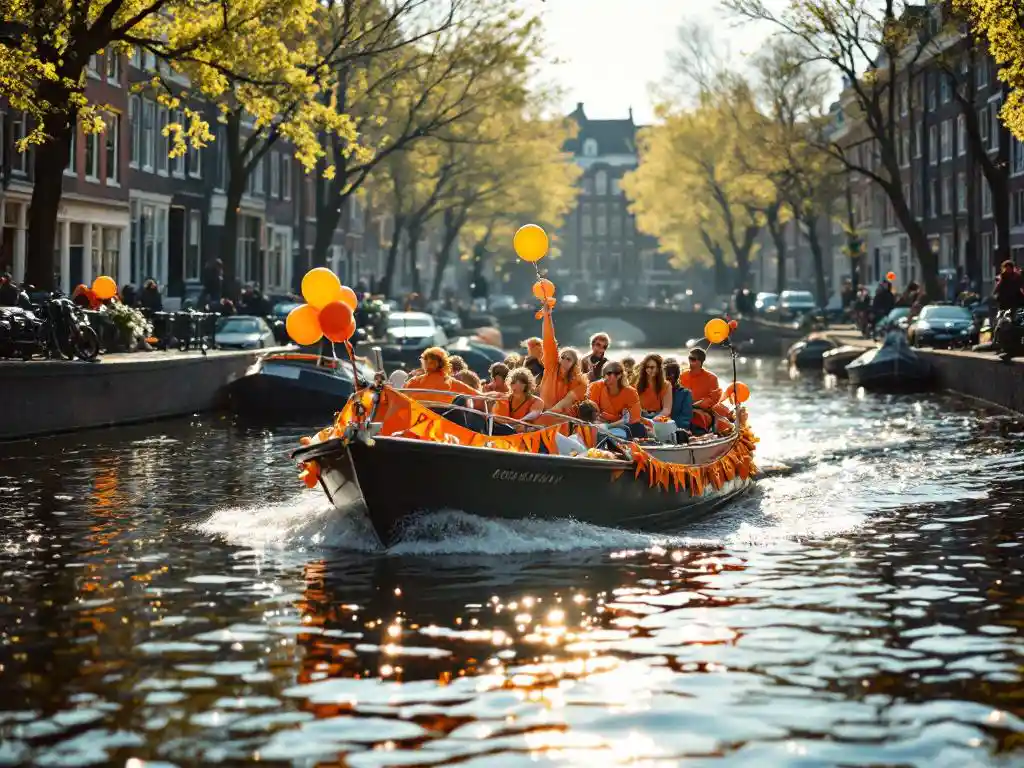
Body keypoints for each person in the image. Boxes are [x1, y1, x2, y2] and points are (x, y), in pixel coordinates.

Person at [538, 304, 587, 414]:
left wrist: (548, 414)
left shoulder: (580, 384)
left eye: (568, 359)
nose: (564, 360)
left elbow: (566, 402)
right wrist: (547, 316)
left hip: (562, 419)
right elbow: (548, 340)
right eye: (562, 357)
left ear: (574, 364)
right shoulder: (551, 367)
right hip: (543, 414)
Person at [586, 361, 645, 439]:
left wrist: (612, 419)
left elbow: (634, 418)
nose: (605, 377)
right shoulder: (595, 386)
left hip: (621, 426)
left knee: (638, 428)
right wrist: (617, 418)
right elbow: (591, 414)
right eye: (604, 374)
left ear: (619, 375)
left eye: (609, 374)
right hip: (600, 426)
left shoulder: (630, 392)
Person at [679, 348, 730, 434]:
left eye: (693, 359)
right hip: (683, 409)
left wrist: (697, 404)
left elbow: (713, 400)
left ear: (700, 362)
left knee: (697, 419)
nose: (690, 362)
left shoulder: (711, 378)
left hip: (703, 412)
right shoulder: (683, 375)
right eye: (689, 359)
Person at [663, 358, 694, 438]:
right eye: (667, 373)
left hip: (677, 432)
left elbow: (685, 419)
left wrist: (669, 426)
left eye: (672, 373)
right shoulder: (656, 392)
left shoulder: (685, 393)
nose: (669, 376)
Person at [636, 353, 672, 418]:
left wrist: (655, 419)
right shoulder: (637, 383)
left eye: (652, 367)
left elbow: (667, 409)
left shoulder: (666, 385)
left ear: (658, 368)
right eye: (647, 367)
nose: (649, 370)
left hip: (659, 415)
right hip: (641, 415)